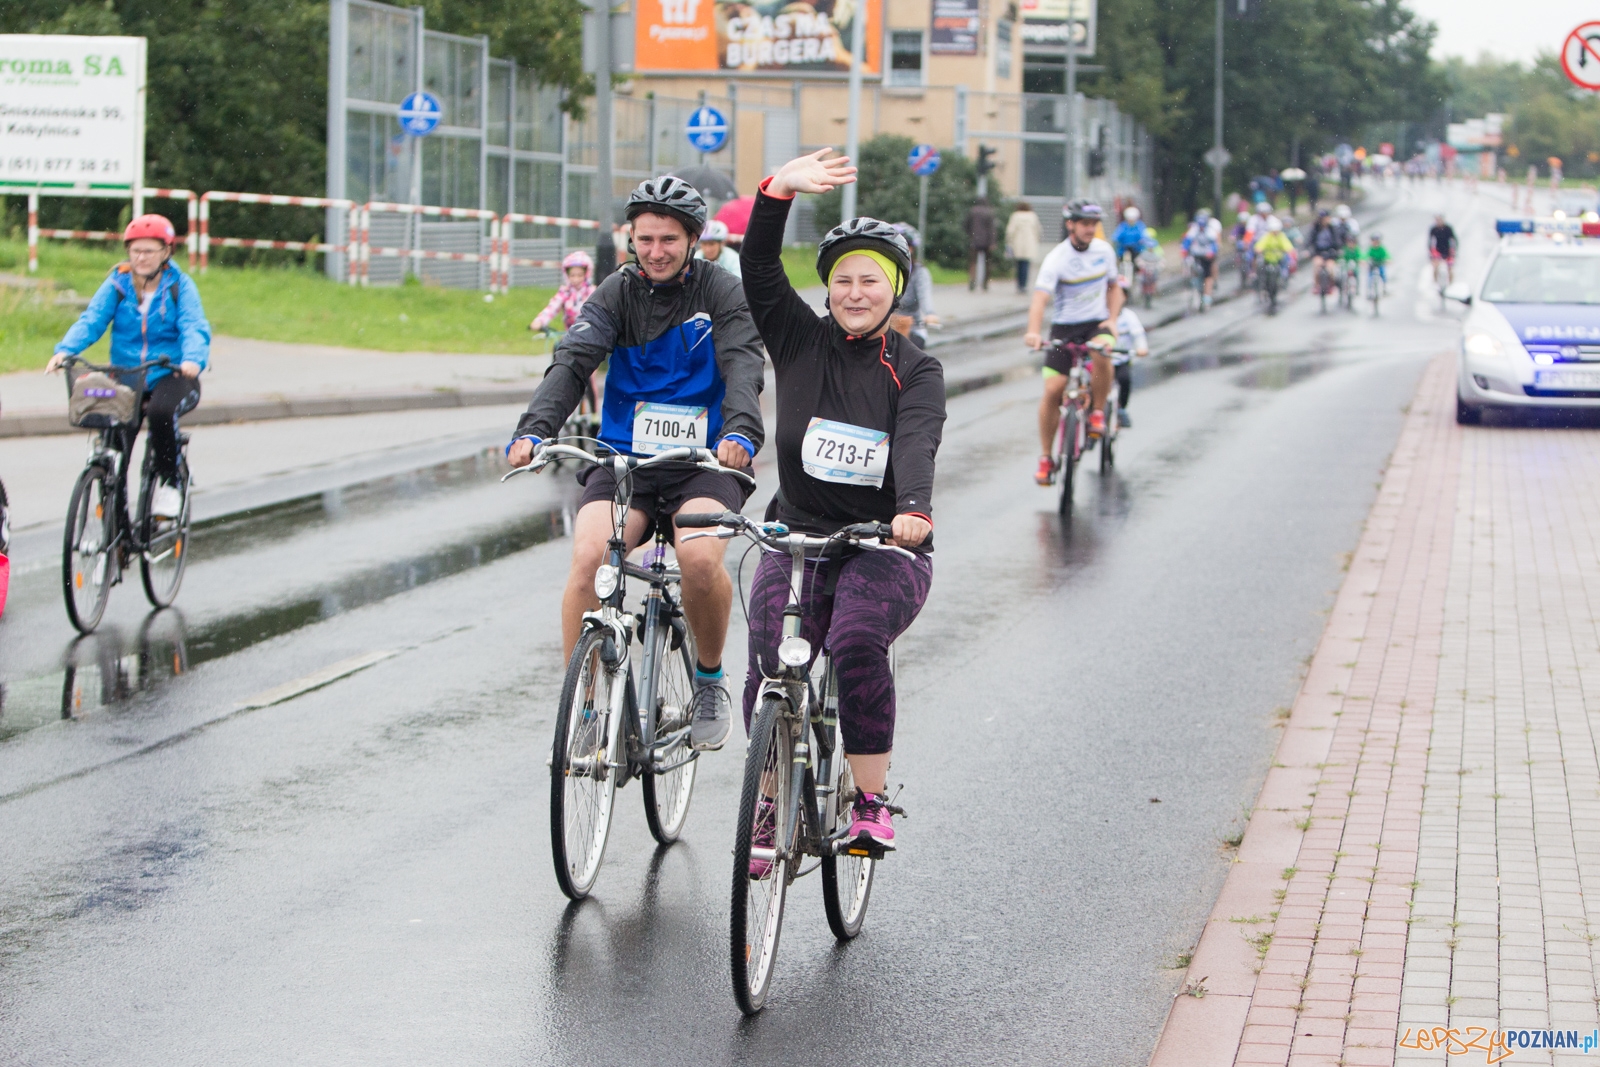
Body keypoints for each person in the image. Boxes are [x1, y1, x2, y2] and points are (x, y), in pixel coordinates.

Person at [505, 175, 765, 752]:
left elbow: (744, 364)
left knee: (699, 558)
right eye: (645, 239)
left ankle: (708, 680)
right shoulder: (615, 292)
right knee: (589, 559)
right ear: (630, 237)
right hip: (626, 460)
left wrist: (742, 431)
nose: (656, 251)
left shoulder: (723, 292)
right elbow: (573, 362)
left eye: (668, 239)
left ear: (693, 239)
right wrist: (535, 429)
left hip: (705, 461)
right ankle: (586, 705)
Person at [736, 148, 945, 851]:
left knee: (856, 638)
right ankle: (769, 805)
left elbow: (916, 441)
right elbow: (758, 269)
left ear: (895, 289)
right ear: (828, 289)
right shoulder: (799, 339)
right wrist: (777, 192)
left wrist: (912, 509)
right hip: (798, 537)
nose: (856, 293)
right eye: (843, 281)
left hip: (884, 545)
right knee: (770, 654)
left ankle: (871, 799)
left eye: (871, 281)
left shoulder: (916, 369)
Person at [48, 214, 210, 519]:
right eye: (135, 250)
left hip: (172, 374)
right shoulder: (118, 283)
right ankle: (116, 522)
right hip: (128, 376)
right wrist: (65, 350)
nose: (141, 257)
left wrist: (193, 359)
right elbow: (92, 320)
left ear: (166, 252)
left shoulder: (180, 286)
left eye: (149, 251)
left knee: (160, 413)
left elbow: (194, 326)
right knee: (114, 445)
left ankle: (171, 485)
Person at [1027, 198, 1122, 486]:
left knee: (1102, 352)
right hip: (1064, 328)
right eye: (1084, 224)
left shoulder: (1104, 251)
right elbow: (1040, 299)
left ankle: (1097, 412)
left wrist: (1113, 319)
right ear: (1070, 224)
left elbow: (1114, 287)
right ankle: (1046, 457)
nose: (1090, 229)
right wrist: (1034, 332)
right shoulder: (1057, 258)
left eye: (1094, 224)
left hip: (1096, 323)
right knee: (1053, 390)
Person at [889, 223, 939, 348]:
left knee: (907, 350)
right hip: (882, 329)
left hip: (912, 328)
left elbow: (924, 296)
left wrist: (930, 314)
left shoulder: (919, 273)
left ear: (911, 249)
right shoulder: (880, 270)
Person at [1112, 275, 1149, 429]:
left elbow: (1139, 335)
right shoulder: (1101, 315)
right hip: (1103, 360)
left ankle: (1121, 409)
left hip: (1121, 359)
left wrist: (1141, 348)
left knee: (1125, 379)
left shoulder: (1129, 317)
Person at [529, 250, 595, 334]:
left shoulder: (593, 292)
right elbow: (552, 308)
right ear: (567, 275)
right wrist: (539, 321)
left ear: (586, 275)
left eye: (580, 275)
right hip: (571, 337)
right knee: (558, 343)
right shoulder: (565, 292)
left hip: (591, 336)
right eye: (572, 275)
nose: (576, 279)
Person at [1182, 208, 1221, 307]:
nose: (1201, 227)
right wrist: (1184, 250)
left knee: (1208, 275)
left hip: (1206, 256)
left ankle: (1207, 295)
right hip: (1196, 254)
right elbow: (1187, 241)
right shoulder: (1194, 230)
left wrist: (1212, 252)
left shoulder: (1210, 231)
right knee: (1192, 267)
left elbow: (1214, 245)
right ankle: (1194, 282)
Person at [1005, 201, 1041, 293]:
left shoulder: (1015, 216)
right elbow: (1038, 230)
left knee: (1018, 265)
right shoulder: (1033, 216)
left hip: (1018, 242)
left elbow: (1010, 231)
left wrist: (1009, 241)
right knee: (1026, 265)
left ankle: (1019, 285)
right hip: (1029, 243)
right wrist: (1036, 240)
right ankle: (1024, 285)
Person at [964, 196, 997, 291]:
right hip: (987, 241)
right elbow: (992, 229)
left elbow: (966, 225)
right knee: (987, 263)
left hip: (974, 240)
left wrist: (970, 234)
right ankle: (985, 283)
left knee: (973, 262)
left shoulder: (972, 211)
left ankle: (972, 281)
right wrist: (992, 242)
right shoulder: (989, 212)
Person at [1254, 216, 1296, 285]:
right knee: (1261, 267)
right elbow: (1261, 244)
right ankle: (1260, 280)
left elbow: (1286, 244)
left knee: (1285, 266)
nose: (1275, 232)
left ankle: (1284, 278)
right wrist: (1259, 249)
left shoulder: (1281, 236)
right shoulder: (1267, 236)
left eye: (1276, 231)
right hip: (1267, 258)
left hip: (1279, 257)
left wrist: (1288, 250)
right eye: (1274, 231)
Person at [1112, 206, 1150, 278]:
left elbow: (1143, 235)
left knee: (1138, 261)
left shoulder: (1139, 225)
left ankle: (1138, 274)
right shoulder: (1123, 226)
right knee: (1121, 261)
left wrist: (1142, 240)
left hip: (1136, 248)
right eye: (1129, 219)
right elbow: (1116, 235)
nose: (1131, 221)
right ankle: (1122, 274)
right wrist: (1115, 239)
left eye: (1133, 219)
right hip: (1124, 248)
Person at [1428, 215, 1457, 284]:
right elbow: (1430, 242)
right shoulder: (1434, 229)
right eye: (1437, 220)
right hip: (1437, 251)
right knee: (1435, 267)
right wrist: (1431, 252)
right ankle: (1435, 282)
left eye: (1440, 220)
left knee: (1450, 268)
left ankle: (1451, 283)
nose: (1439, 222)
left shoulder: (1448, 229)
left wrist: (1454, 250)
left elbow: (1454, 239)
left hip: (1447, 251)